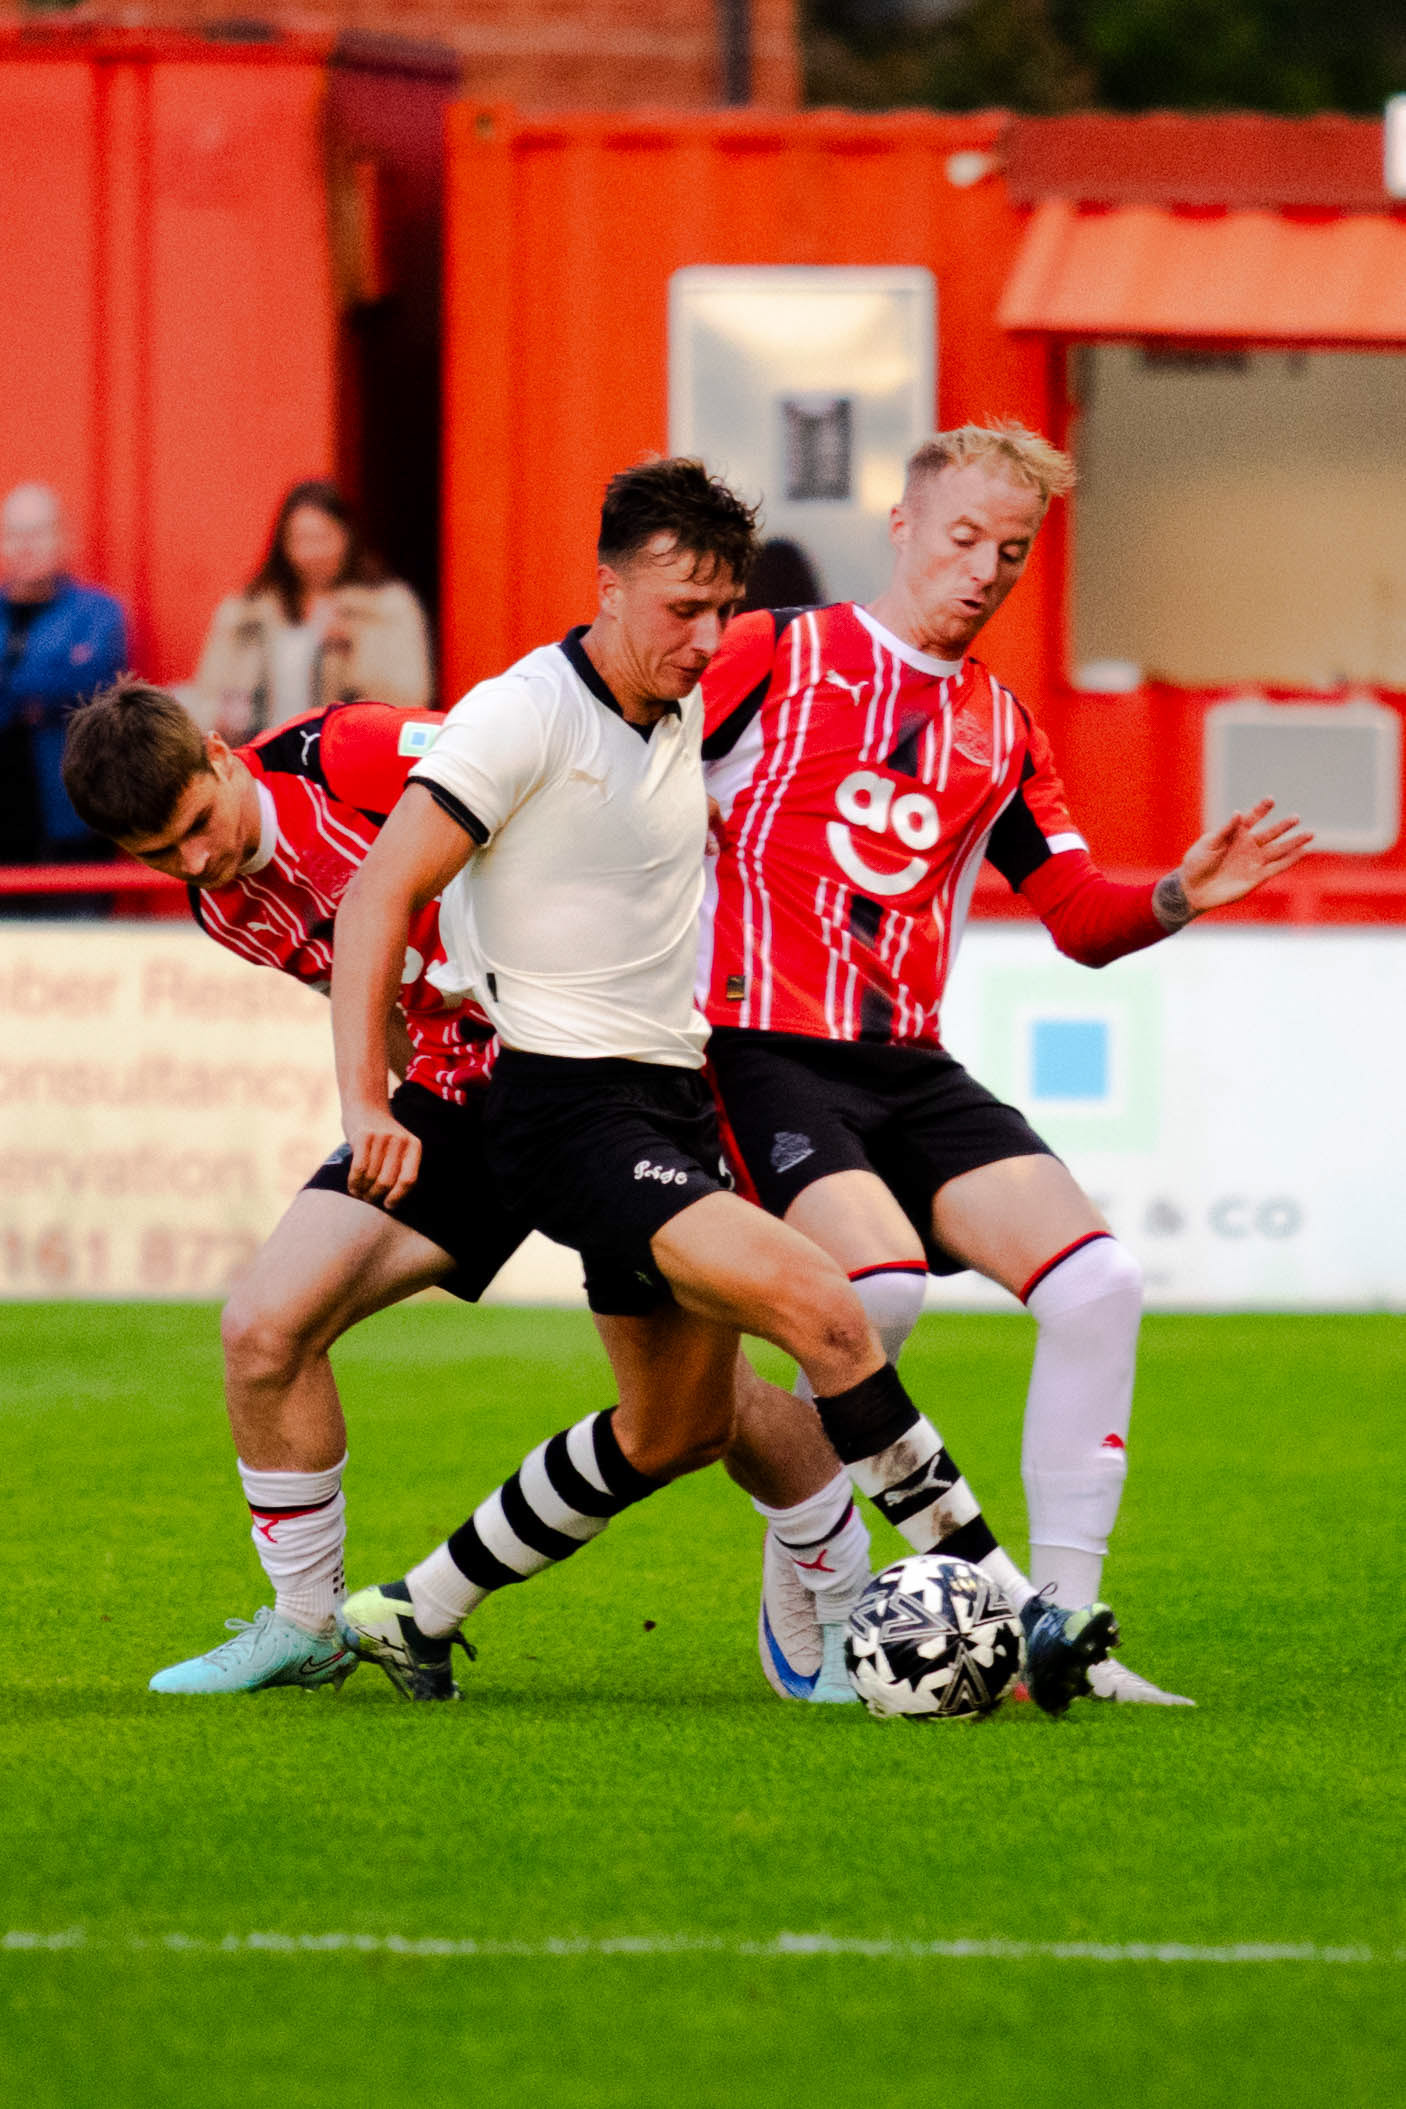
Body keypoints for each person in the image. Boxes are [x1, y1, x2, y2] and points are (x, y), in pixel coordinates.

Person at [330, 455, 1120, 1711]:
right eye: (678, 610)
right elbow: (380, 888)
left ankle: (412, 1610)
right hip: (567, 1108)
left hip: (670, 1100)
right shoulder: (523, 713)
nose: (706, 641)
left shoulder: (691, 708)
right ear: (606, 586)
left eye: (721, 612)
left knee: (672, 1431)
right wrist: (366, 1101)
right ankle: (1016, 1611)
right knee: (829, 1307)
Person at [695, 420, 1313, 1706]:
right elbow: (609, 767)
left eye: (1011, 552)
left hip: (907, 1063)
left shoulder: (998, 725)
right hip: (762, 1052)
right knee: (880, 1293)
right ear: (903, 529)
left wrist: (1177, 896)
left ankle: (1065, 1638)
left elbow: (1079, 917)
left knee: (1096, 1285)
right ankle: (810, 1559)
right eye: (964, 537)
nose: (983, 569)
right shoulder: (768, 655)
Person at [61, 680, 528, 1693]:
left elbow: (532, 767)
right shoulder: (218, 906)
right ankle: (306, 1623)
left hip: (594, 1063)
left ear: (222, 755)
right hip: (458, 1099)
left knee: (699, 1400)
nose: (196, 860)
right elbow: (379, 1002)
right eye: (160, 855)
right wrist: (401, 1106)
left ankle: (835, 1602)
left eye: (197, 824)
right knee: (262, 1331)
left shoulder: (347, 753)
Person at [192, 480, 431, 741]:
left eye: (322, 538)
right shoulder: (246, 612)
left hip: (341, 762)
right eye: (300, 539)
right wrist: (222, 718)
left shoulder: (385, 608)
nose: (311, 553)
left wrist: (351, 648)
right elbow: (208, 694)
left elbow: (408, 702)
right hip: (258, 758)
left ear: (348, 536)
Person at [0, 483, 126, 871]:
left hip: (75, 818)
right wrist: (48, 687)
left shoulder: (99, 612)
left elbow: (91, 684)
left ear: (62, 539)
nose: (27, 545)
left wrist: (11, 688)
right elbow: (63, 685)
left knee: (77, 930)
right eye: (15, 534)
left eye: (38, 532)